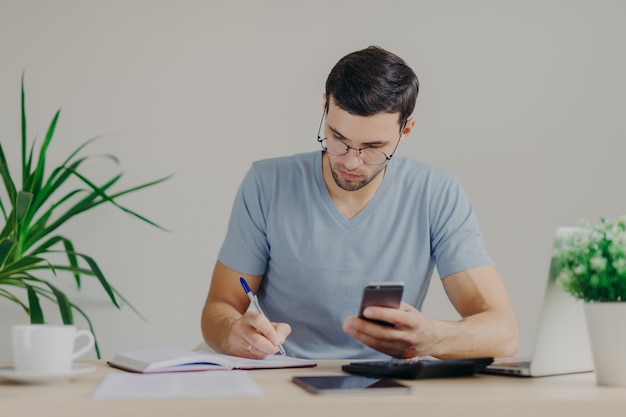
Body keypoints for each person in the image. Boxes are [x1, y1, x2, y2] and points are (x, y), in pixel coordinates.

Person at [201, 46, 519, 360]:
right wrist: (233, 331)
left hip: (389, 389)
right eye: (338, 139)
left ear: (405, 130)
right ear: (325, 107)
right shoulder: (267, 183)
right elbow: (219, 307)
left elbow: (503, 334)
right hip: (284, 378)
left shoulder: (436, 192)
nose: (352, 162)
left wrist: (433, 338)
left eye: (373, 147)